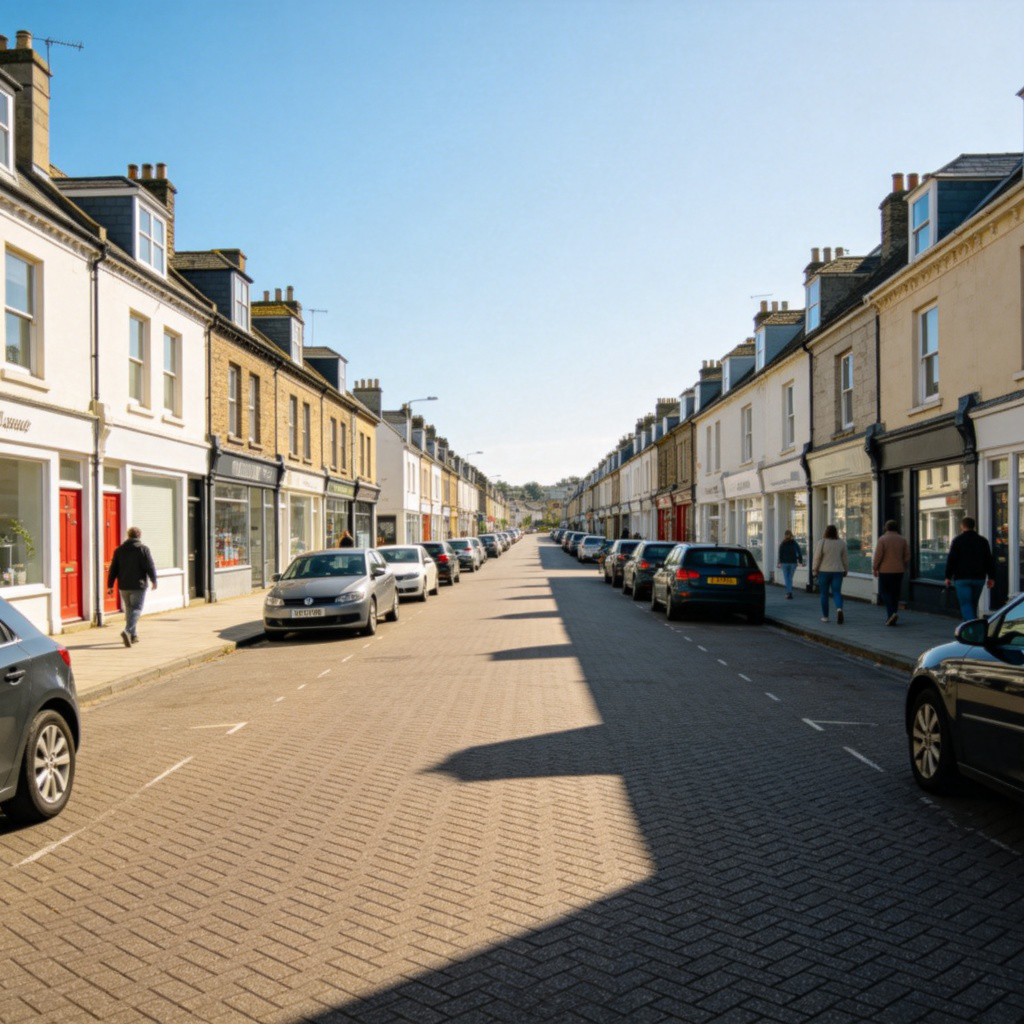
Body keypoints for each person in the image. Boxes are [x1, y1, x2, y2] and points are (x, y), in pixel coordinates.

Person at [106, 526, 157, 648]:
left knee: (129, 609)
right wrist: (154, 580)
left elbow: (113, 569)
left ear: (128, 536)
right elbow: (150, 566)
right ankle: (127, 631)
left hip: (124, 585)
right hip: (138, 585)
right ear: (139, 536)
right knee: (137, 608)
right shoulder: (143, 549)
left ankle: (133, 636)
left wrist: (110, 585)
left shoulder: (119, 550)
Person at [944, 516, 996, 621]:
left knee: (965, 604)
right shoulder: (982, 541)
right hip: (979, 577)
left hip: (962, 578)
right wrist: (991, 577)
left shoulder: (958, 541)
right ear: (973, 526)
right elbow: (988, 560)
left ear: (962, 526)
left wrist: (948, 576)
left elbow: (952, 560)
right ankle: (969, 628)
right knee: (973, 604)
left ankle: (971, 629)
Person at [872, 520, 910, 626]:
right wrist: (904, 566)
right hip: (899, 570)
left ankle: (891, 613)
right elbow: (907, 556)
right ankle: (894, 613)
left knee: (885, 592)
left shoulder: (883, 539)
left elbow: (878, 556)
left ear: (886, 528)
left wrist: (875, 568)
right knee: (895, 593)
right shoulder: (903, 540)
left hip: (885, 570)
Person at [812, 524, 848, 624]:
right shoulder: (841, 543)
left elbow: (817, 557)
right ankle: (839, 609)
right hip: (838, 571)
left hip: (824, 571)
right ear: (836, 532)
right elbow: (845, 558)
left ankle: (825, 616)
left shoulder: (822, 542)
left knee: (824, 593)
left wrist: (814, 569)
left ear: (826, 532)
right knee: (837, 592)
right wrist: (845, 569)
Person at [777, 529, 803, 599]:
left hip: (785, 562)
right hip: (793, 562)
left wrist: (779, 561)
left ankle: (789, 592)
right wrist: (800, 560)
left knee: (787, 577)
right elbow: (799, 551)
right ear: (791, 535)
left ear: (785, 535)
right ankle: (789, 592)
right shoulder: (794, 543)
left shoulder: (782, 544)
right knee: (790, 577)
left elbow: (780, 553)